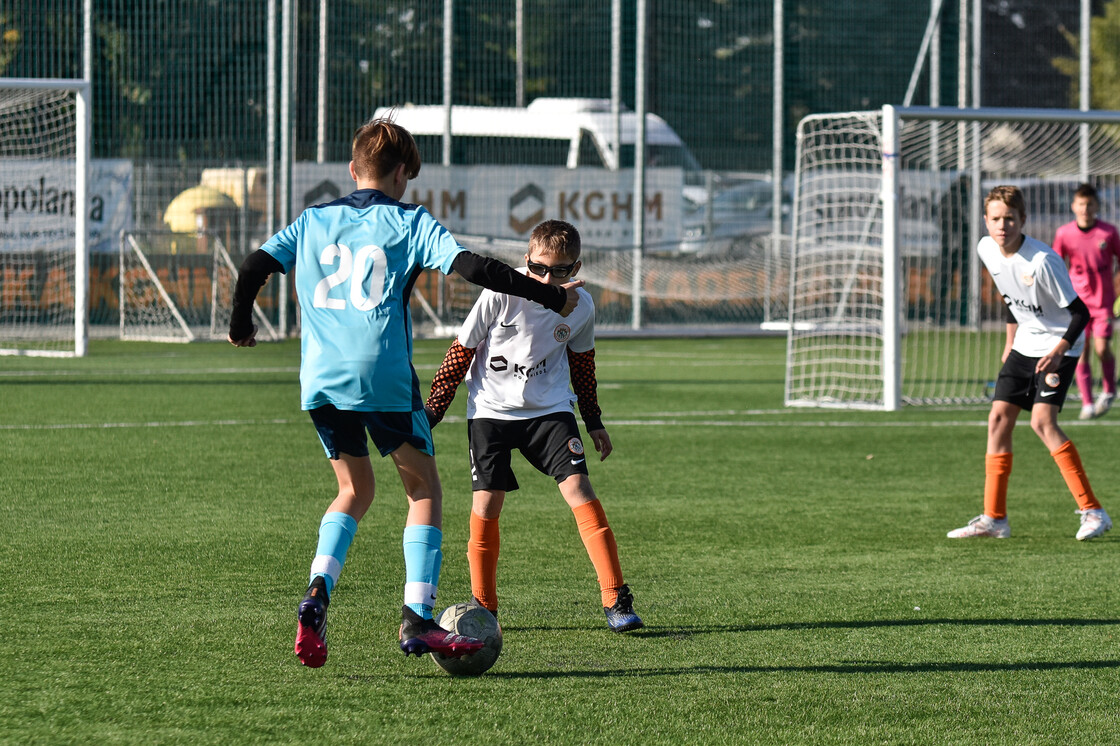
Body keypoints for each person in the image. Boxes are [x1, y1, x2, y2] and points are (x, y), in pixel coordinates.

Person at [227, 117, 585, 668]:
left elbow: (252, 266)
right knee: (423, 492)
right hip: (383, 377)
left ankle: (318, 589)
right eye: (407, 178)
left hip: (320, 380)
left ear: (352, 169)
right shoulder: (409, 221)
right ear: (399, 174)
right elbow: (476, 268)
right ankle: (417, 618)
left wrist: (240, 324)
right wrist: (546, 293)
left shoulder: (312, 219)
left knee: (353, 489)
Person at [424, 219, 643, 632]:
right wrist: (432, 412)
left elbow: (582, 363)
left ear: (575, 269)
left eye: (559, 271)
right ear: (526, 262)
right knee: (486, 503)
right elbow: (461, 351)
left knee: (579, 488)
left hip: (550, 411)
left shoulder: (582, 307)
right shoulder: (499, 294)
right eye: (539, 269)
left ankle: (615, 598)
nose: (547, 279)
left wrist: (593, 420)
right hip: (490, 411)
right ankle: (484, 605)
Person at [947, 185, 1111, 541]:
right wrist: (1009, 343)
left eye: (1010, 218)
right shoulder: (986, 248)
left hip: (1060, 344)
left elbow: (1080, 314)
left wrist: (1058, 349)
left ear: (1023, 219)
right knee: (998, 420)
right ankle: (994, 519)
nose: (1002, 225)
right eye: (995, 219)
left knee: (1041, 422)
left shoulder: (1042, 260)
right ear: (985, 220)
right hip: (1025, 343)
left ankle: (1093, 512)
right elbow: (1012, 297)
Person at [1051, 183, 1120, 420]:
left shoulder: (1108, 232)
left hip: (1103, 303)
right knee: (1082, 352)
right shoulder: (1064, 233)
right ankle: (1087, 402)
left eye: (1090, 204)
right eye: (1081, 204)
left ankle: (1110, 390)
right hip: (1077, 304)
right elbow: (1056, 266)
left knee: (1102, 348)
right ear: (1073, 206)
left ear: (1096, 206)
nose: (1085, 209)